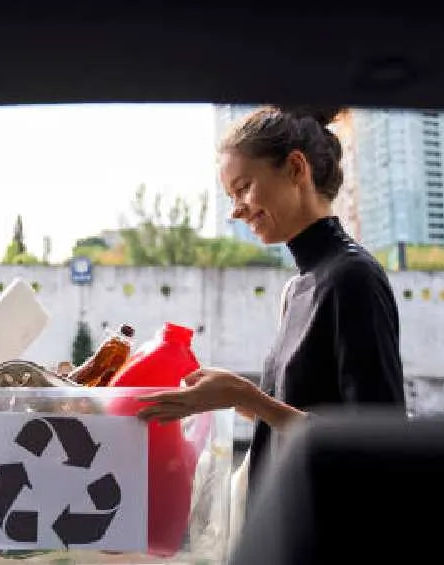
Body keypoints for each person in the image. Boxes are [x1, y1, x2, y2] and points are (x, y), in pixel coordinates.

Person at [137, 105, 406, 510]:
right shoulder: (298, 287)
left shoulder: (353, 278)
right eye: (231, 196)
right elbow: (294, 419)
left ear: (296, 168)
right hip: (284, 523)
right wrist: (230, 396)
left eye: (244, 187)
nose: (236, 209)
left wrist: (250, 396)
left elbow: (377, 443)